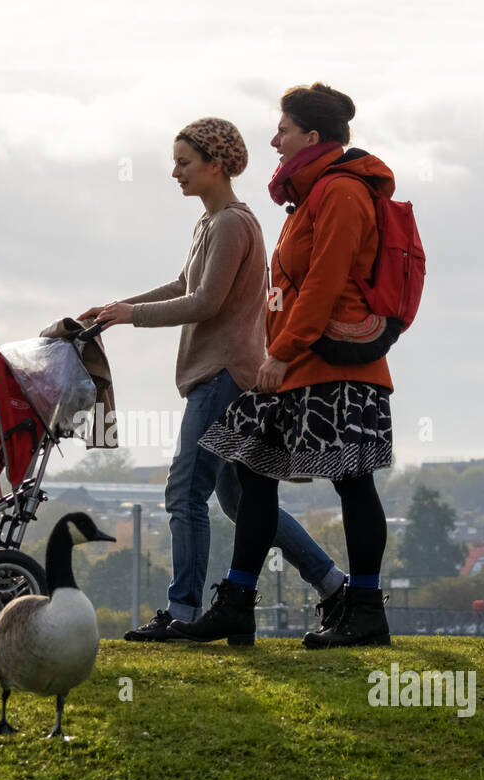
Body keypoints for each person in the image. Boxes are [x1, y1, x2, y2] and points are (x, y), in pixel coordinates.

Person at [82, 116, 348, 645]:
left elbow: (205, 301)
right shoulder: (211, 222)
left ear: (216, 165)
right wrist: (120, 308)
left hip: (222, 376)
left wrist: (130, 318)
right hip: (225, 375)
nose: (174, 172)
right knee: (239, 500)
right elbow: (186, 283)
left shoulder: (230, 224)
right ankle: (332, 582)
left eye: (184, 162)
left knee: (185, 490)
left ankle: (182, 610)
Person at [166, 83, 396, 649]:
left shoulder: (341, 192)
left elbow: (325, 283)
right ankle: (238, 604)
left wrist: (280, 352)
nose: (274, 139)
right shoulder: (308, 196)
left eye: (284, 129)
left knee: (352, 480)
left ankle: (363, 608)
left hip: (336, 364)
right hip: (298, 361)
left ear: (311, 137)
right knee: (254, 472)